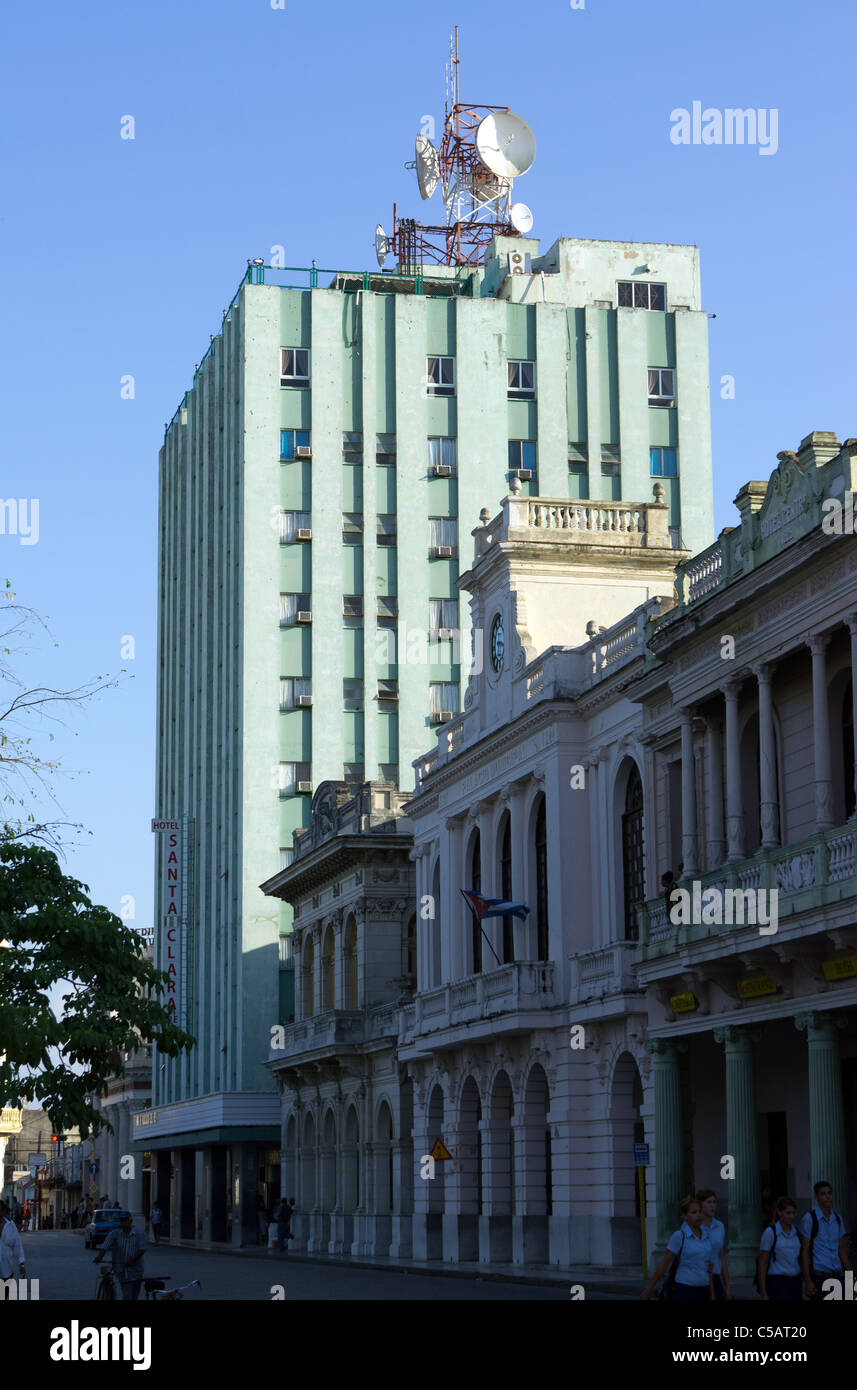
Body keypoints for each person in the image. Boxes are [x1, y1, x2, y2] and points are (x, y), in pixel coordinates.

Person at [640, 1196, 715, 1301]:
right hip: (685, 1288)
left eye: (700, 1212)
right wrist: (649, 1289)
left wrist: (712, 1294)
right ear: (685, 1216)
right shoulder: (679, 1236)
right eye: (694, 1212)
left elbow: (709, 1267)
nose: (698, 1215)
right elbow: (664, 1263)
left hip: (704, 1289)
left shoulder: (706, 1236)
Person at [800, 1180, 852, 1300]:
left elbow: (841, 1249)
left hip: (838, 1274)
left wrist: (850, 1278)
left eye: (829, 1193)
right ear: (816, 1197)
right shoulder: (809, 1219)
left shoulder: (838, 1219)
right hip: (820, 1275)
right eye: (823, 1194)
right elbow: (805, 1252)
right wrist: (807, 1281)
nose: (827, 1197)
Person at [94, 1210, 146, 1301]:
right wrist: (99, 1257)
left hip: (137, 1270)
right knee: (127, 1296)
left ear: (130, 1221)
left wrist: (131, 1261)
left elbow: (142, 1250)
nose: (123, 1223)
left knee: (134, 1296)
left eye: (125, 1220)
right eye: (122, 1220)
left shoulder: (139, 1233)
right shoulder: (114, 1234)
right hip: (122, 1270)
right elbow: (105, 1246)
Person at [758, 1196, 803, 1301]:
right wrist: (763, 1292)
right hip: (778, 1281)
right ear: (779, 1212)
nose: (792, 1216)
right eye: (788, 1213)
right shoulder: (770, 1232)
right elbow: (762, 1263)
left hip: (795, 1281)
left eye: (793, 1213)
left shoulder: (796, 1232)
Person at [696, 1189, 732, 1300]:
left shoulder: (719, 1226)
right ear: (700, 1205)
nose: (713, 1206)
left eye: (714, 1202)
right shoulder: (694, 1226)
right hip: (698, 1278)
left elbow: (721, 1257)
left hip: (715, 1277)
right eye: (708, 1202)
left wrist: (728, 1288)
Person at [0, 1201, 27, 1297]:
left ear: (3, 1211)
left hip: (6, 1271)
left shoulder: (10, 1226)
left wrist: (22, 1264)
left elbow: (17, 1245)